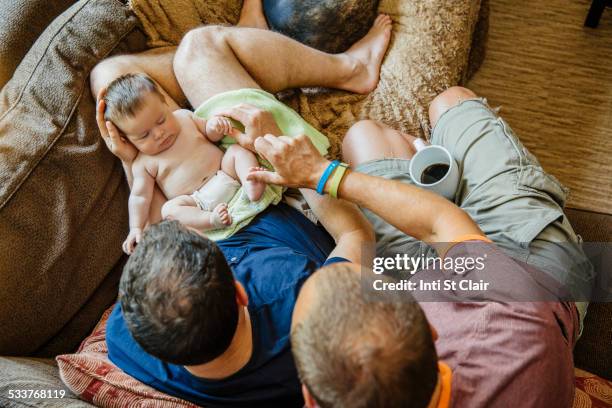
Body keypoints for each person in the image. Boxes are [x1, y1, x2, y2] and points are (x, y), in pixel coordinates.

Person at [93, 1, 390, 406]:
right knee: (200, 48)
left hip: (195, 208)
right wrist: (294, 161)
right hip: (259, 196)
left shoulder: (126, 338)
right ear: (239, 292)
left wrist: (134, 162)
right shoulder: (294, 290)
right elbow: (359, 240)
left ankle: (248, 42)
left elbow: (158, 231)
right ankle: (350, 69)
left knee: (107, 80)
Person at [245, 86, 593, 407]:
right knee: (450, 102)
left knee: (363, 137)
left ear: (309, 401)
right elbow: (441, 222)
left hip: (439, 280)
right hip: (531, 274)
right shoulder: (516, 326)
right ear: (431, 329)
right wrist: (323, 174)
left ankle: (430, 178)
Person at [102, 72, 268, 253]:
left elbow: (209, 133)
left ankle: (252, 182)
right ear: (127, 139)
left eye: (161, 120)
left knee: (237, 152)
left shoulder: (184, 117)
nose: (159, 134)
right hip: (196, 202)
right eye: (144, 135)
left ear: (165, 103)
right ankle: (212, 220)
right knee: (170, 210)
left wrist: (214, 126)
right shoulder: (143, 163)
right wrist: (135, 228)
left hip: (225, 173)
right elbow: (140, 197)